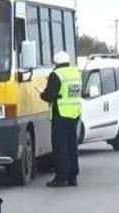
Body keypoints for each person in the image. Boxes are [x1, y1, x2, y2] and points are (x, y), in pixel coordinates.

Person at [40, 50, 82, 187]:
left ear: (56, 63)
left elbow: (50, 95)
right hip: (74, 114)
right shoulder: (76, 73)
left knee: (60, 148)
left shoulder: (56, 74)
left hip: (61, 114)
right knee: (72, 146)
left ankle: (61, 177)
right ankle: (73, 177)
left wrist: (42, 94)